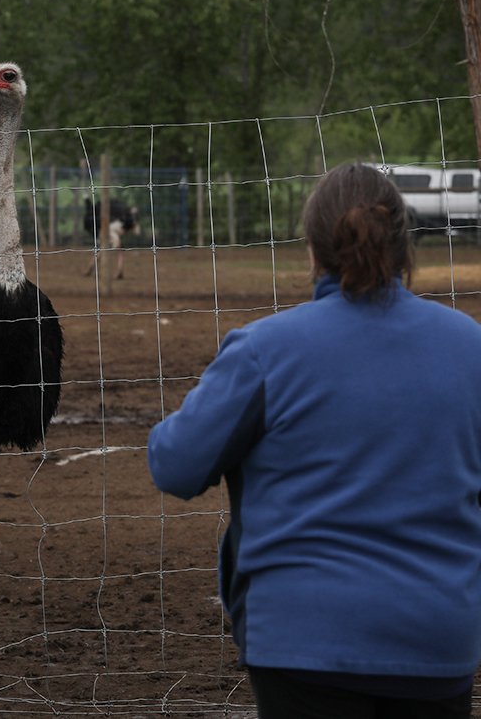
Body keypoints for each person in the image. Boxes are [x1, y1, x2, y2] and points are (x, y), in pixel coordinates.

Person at [147, 162, 481, 718]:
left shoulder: (264, 350)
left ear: (312, 248)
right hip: (438, 637)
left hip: (302, 637)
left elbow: (176, 466)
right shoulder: (470, 346)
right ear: (406, 244)